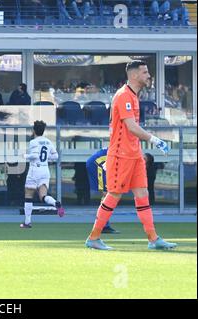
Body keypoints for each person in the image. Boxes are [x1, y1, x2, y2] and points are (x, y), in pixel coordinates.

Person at [85, 60, 176, 250]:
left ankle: (153, 239)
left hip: (134, 155)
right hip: (120, 155)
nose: (148, 76)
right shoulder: (124, 96)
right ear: (134, 75)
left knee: (143, 194)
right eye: (145, 72)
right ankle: (93, 238)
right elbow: (131, 127)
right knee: (114, 194)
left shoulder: (133, 96)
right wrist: (155, 140)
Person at [20, 120, 65, 228]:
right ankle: (55, 203)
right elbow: (56, 156)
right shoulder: (48, 142)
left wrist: (25, 156)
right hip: (45, 170)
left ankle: (27, 222)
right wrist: (45, 159)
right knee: (43, 196)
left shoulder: (33, 142)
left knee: (28, 195)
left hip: (35, 169)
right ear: (43, 131)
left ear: (34, 130)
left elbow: (34, 156)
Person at [86, 148, 120, 234]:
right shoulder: (128, 151)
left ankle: (103, 224)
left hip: (98, 163)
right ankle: (103, 225)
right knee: (107, 195)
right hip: (98, 163)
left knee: (107, 195)